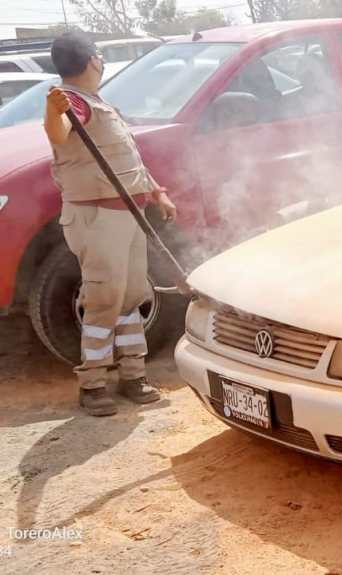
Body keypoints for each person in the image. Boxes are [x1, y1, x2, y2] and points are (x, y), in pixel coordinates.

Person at [44, 32, 177, 417]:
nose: (100, 62)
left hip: (126, 215)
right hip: (98, 218)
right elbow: (57, 133)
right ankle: (94, 384)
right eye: (99, 56)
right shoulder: (71, 103)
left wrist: (157, 191)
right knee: (104, 298)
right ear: (93, 61)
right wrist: (53, 110)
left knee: (133, 294)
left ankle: (133, 375)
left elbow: (126, 161)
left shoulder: (100, 105)